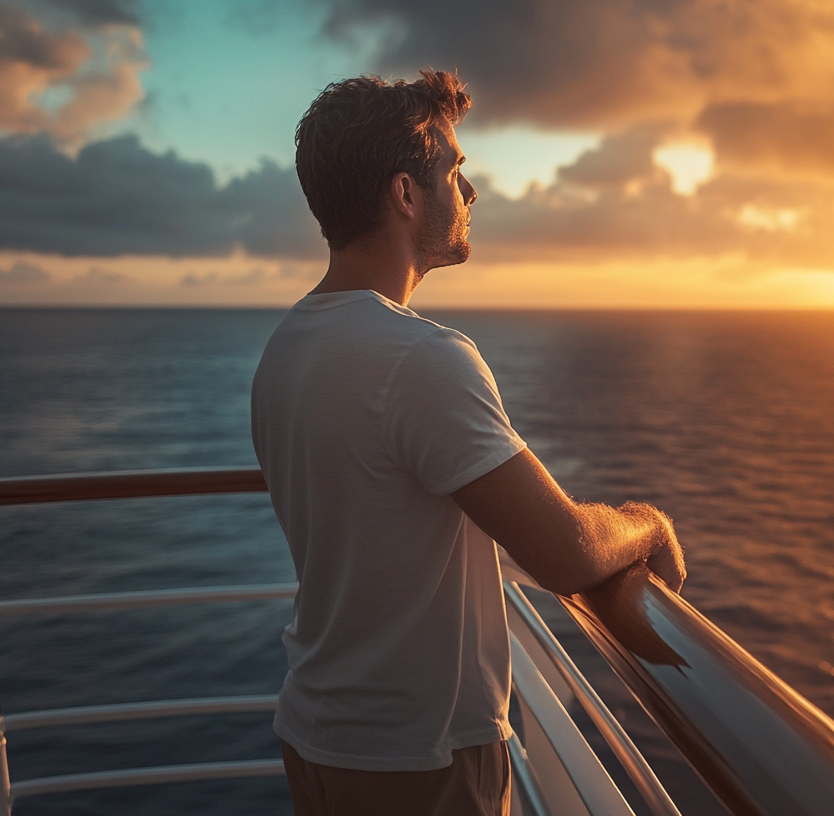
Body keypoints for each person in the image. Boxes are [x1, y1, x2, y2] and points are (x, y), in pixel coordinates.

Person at [250, 70, 685, 816]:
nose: (470, 191)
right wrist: (651, 522)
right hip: (419, 762)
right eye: (454, 169)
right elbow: (566, 552)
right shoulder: (422, 358)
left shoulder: (285, 347)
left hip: (318, 736)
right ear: (404, 194)